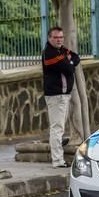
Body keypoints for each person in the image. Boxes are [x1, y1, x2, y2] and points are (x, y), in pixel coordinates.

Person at [42, 26, 80, 168]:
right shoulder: (50, 53)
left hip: (64, 95)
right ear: (49, 38)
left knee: (59, 127)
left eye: (61, 37)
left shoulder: (61, 51)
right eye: (56, 37)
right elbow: (69, 68)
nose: (59, 40)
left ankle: (58, 158)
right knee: (57, 128)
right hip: (56, 95)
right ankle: (57, 160)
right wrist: (68, 62)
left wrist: (68, 60)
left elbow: (75, 58)